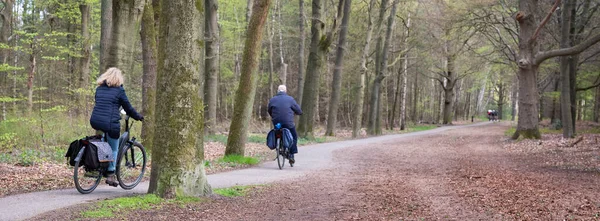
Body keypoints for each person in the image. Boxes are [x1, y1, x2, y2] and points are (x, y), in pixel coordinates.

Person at [89, 67, 143, 187]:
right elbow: (128, 107)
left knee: (102, 143)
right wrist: (138, 116)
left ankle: (99, 165)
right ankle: (110, 173)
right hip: (110, 123)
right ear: (119, 79)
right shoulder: (119, 91)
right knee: (114, 148)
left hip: (95, 120)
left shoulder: (99, 89)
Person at [268, 85, 302, 164]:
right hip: (288, 123)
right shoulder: (290, 99)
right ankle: (291, 155)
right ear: (285, 91)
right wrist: (299, 113)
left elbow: (269, 110)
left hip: (277, 122)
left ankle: (278, 147)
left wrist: (273, 117)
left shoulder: (272, 100)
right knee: (294, 136)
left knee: (277, 131)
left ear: (278, 91)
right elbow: (298, 110)